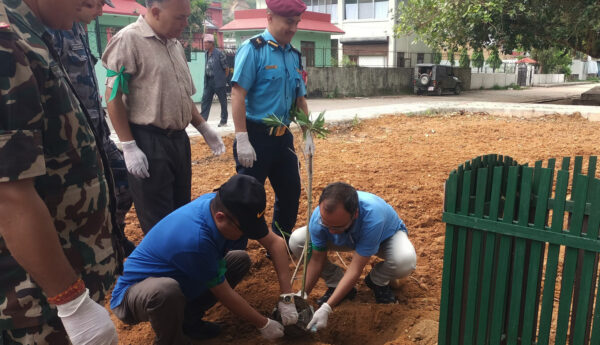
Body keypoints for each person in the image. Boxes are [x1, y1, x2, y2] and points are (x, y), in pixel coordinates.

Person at [0, 0, 123, 343]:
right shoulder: (7, 43)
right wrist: (71, 303)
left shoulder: (35, 32)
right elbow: (9, 196)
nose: (92, 3)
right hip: (32, 303)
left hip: (58, 283)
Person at [110, 174, 298, 344]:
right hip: (133, 295)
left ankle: (189, 321)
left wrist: (287, 298)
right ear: (220, 217)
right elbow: (223, 292)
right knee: (165, 291)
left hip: (178, 275)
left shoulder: (224, 204)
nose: (247, 236)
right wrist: (263, 324)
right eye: (244, 230)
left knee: (239, 260)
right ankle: (172, 341)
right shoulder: (196, 240)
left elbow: (276, 243)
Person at [102, 0, 226, 234]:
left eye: (187, 17)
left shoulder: (174, 44)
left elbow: (182, 96)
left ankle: (181, 266)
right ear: (156, 12)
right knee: (159, 221)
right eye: (180, 17)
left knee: (181, 212)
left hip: (178, 142)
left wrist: (203, 128)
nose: (186, 23)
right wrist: (129, 146)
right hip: (149, 143)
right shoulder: (128, 40)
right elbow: (113, 96)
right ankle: (165, 268)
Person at [50, 0, 136, 256]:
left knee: (123, 182)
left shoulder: (77, 29)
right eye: (94, 5)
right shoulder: (50, 29)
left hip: (96, 131)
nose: (100, 11)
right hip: (68, 138)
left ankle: (114, 236)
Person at [230, 0, 311, 244]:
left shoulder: (294, 56)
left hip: (283, 137)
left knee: (290, 192)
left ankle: (280, 242)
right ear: (270, 17)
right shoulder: (253, 49)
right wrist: (241, 137)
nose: (293, 28)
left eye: (296, 22)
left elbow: (300, 99)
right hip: (255, 138)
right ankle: (236, 249)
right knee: (246, 198)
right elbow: (238, 94)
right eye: (289, 22)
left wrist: (308, 133)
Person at [288, 182, 417, 331]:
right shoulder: (319, 218)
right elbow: (317, 260)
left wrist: (327, 307)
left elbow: (355, 268)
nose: (330, 231)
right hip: (346, 237)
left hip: (384, 238)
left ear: (355, 214)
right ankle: (336, 282)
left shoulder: (373, 218)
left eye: (336, 226)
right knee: (298, 241)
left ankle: (377, 280)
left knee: (405, 261)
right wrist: (302, 296)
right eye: (326, 225)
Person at [201, 33, 229, 127]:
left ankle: (223, 121)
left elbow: (226, 69)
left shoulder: (220, 53)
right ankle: (203, 121)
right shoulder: (206, 53)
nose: (204, 45)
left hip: (218, 81)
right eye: (204, 43)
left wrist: (222, 80)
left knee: (223, 101)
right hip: (208, 81)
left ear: (211, 43)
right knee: (205, 100)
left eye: (206, 43)